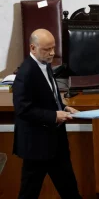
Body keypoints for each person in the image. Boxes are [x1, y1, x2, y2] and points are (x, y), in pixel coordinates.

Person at [12, 29, 82, 199]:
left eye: (53, 48)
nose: (52, 53)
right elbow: (23, 109)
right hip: (37, 145)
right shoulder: (25, 73)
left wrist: (63, 107)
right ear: (33, 48)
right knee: (29, 192)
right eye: (46, 49)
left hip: (55, 142)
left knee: (70, 190)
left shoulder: (45, 64)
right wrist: (53, 116)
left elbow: (49, 96)